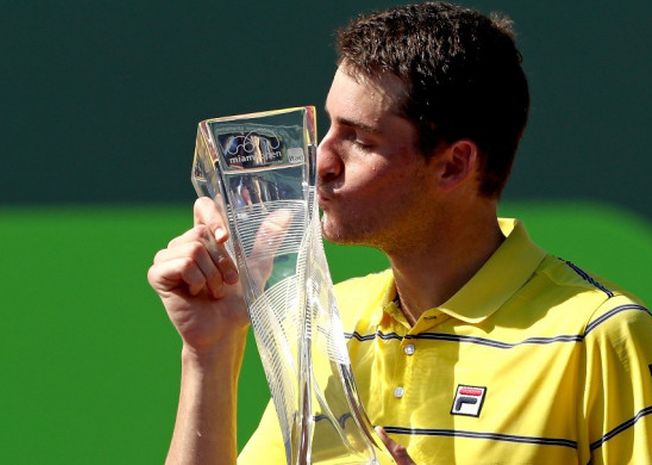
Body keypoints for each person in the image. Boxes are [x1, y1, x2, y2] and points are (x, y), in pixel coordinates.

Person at [148, 2, 652, 464]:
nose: (319, 162)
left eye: (359, 140)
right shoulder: (331, 322)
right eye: (328, 127)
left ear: (454, 166)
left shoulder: (602, 336)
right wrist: (209, 352)